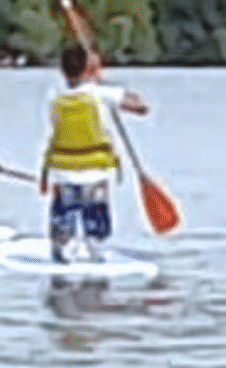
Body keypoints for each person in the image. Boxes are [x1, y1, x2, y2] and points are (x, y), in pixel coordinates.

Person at [38, 44, 149, 263]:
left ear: (62, 70)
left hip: (63, 171)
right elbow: (142, 106)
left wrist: (92, 77)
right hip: (95, 170)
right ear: (88, 69)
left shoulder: (54, 96)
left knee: (63, 215)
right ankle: (95, 249)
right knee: (95, 217)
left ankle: (61, 249)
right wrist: (104, 82)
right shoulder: (101, 94)